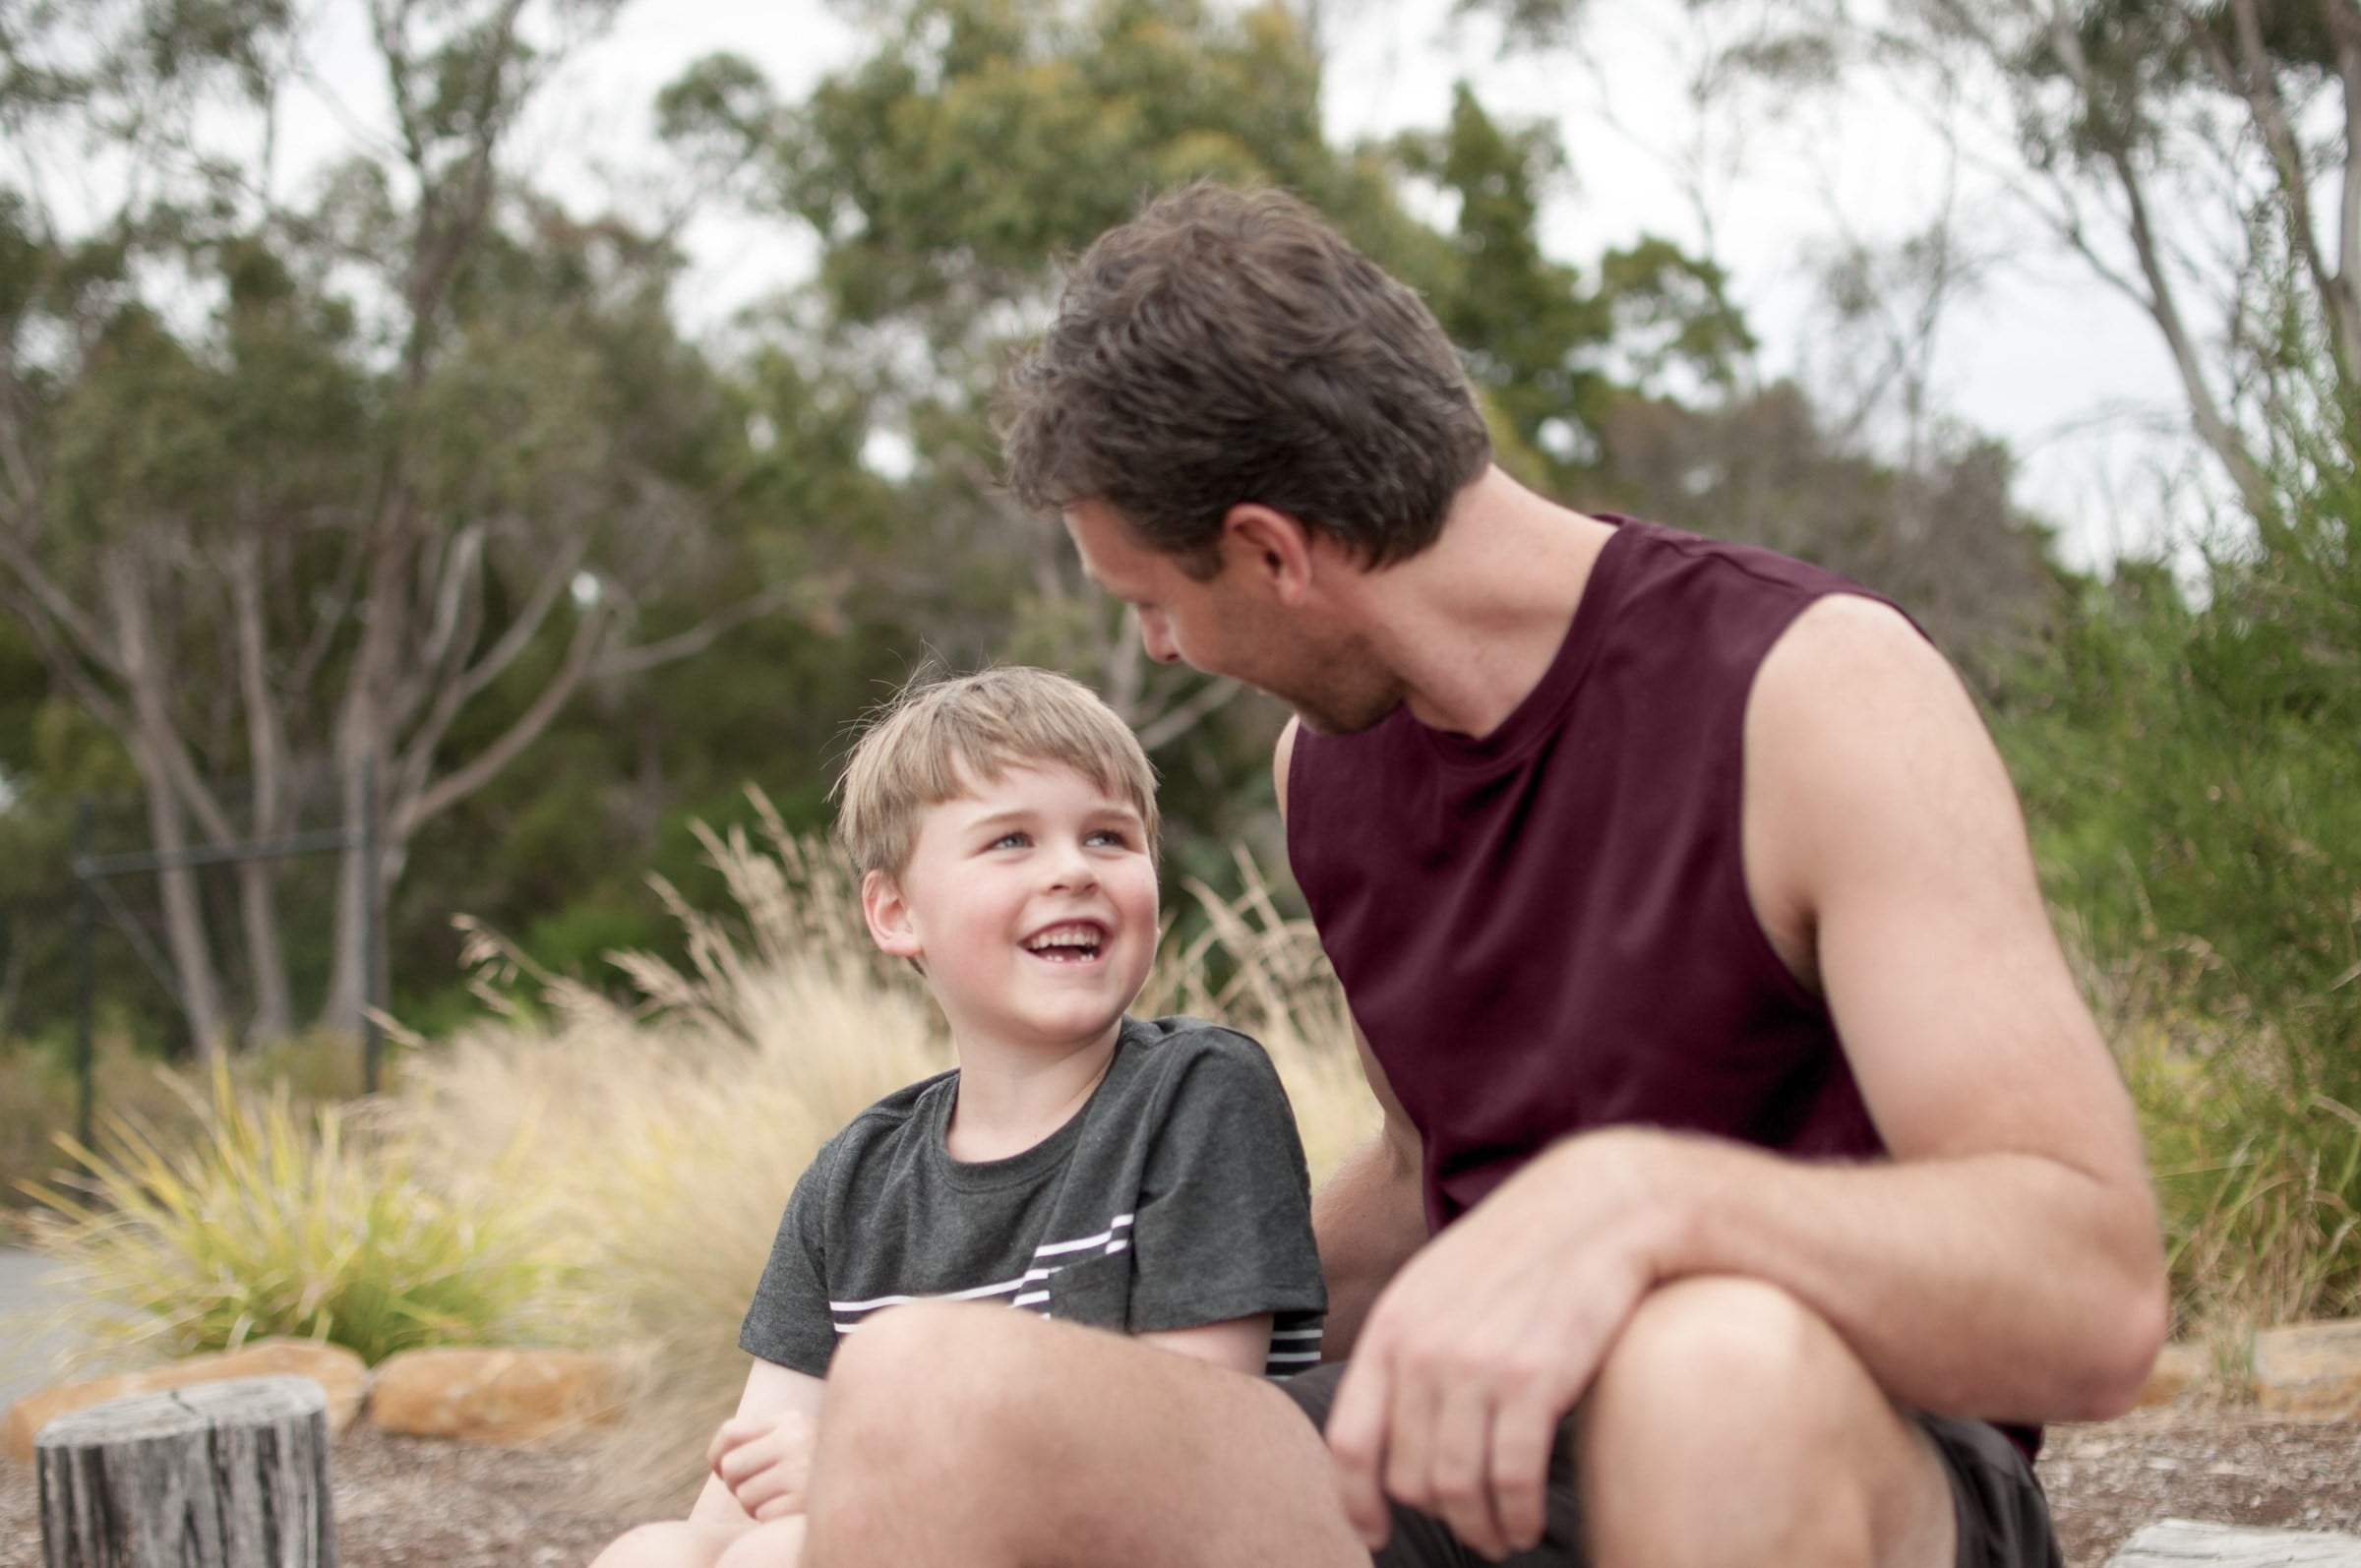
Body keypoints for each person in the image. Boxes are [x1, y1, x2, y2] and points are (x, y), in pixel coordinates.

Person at [776, 184, 2169, 1568]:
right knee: (925, 1390)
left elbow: (2094, 1292)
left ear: (1272, 551)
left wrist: (1648, 1202)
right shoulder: (1319, 771)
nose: (1159, 649)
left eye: (1153, 600)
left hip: (1827, 1445)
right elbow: (1420, 1175)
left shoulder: (1811, 688)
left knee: (1708, 1362)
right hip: (1473, 1478)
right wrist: (1069, 1328)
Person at [589, 665, 1328, 1568]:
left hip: (1167, 1539)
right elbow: (740, 1492)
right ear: (896, 911)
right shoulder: (855, 1180)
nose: (1072, 871)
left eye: (1109, 837)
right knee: (655, 1554)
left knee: (781, 1556)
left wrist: (872, 1468)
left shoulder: (1197, 1094)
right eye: (1011, 841)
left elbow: (1198, 1444)